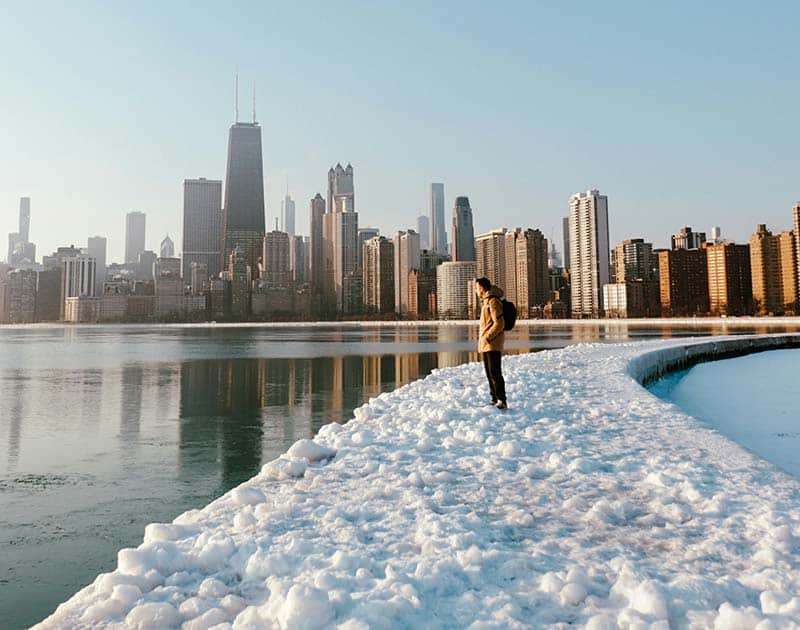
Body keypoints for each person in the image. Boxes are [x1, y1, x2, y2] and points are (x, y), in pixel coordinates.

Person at [475, 276, 507, 410]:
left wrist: (488, 337)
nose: (476, 291)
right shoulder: (486, 302)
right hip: (487, 344)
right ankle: (494, 398)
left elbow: (499, 323)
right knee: (489, 372)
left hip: (492, 343)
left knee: (495, 372)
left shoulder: (493, 301)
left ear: (482, 288)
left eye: (477, 288)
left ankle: (501, 400)